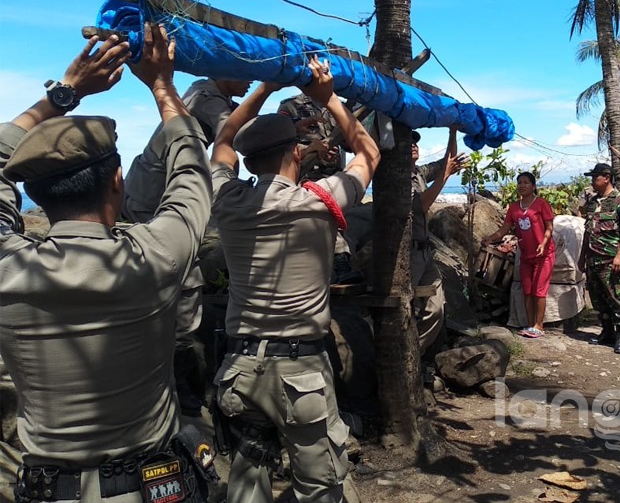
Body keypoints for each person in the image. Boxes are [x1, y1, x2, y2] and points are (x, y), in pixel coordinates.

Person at [1, 25, 216, 501]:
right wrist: (162, 84)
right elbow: (192, 168)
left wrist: (65, 92)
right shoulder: (156, 256)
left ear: (31, 193)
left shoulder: (7, 269)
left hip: (48, 490)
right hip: (153, 486)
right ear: (117, 179)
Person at [210, 56, 380, 502]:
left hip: (239, 369)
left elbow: (223, 141)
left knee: (248, 483)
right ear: (296, 154)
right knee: (320, 486)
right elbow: (369, 154)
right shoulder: (319, 200)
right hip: (299, 372)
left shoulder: (227, 200)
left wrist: (263, 89)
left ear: (250, 162)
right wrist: (331, 100)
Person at [123, 75, 252, 417]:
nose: (250, 79)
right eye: (243, 72)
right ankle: (184, 396)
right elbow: (236, 138)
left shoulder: (205, 92)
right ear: (224, 71)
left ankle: (179, 388)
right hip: (156, 196)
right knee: (181, 280)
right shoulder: (210, 97)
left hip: (152, 189)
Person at [278, 91, 363, 285]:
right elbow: (280, 146)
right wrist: (311, 149)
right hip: (306, 177)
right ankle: (341, 263)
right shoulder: (290, 106)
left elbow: (353, 143)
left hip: (336, 178)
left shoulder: (339, 107)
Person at [411, 128, 467, 354]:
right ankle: (408, 357)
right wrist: (444, 177)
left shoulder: (419, 172)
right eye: (407, 142)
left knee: (435, 308)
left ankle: (415, 354)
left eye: (415, 142)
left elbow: (448, 161)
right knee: (409, 307)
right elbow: (420, 206)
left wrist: (452, 131)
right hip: (407, 251)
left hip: (424, 250)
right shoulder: (394, 177)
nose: (414, 145)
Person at [482, 172, 556, 338]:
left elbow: (550, 228)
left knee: (539, 291)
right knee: (527, 291)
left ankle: (539, 325)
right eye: (520, 183)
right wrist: (489, 239)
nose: (522, 185)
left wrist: (544, 243)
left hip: (544, 255)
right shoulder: (514, 207)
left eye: (526, 182)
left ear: (533, 186)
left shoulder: (541, 204)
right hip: (526, 256)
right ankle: (530, 325)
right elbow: (504, 230)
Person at [579, 163, 620, 355]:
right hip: (592, 259)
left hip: (610, 259)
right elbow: (588, 232)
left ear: (606, 178)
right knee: (598, 298)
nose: (592, 181)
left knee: (616, 297)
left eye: (595, 177)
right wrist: (581, 257)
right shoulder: (593, 202)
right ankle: (607, 331)